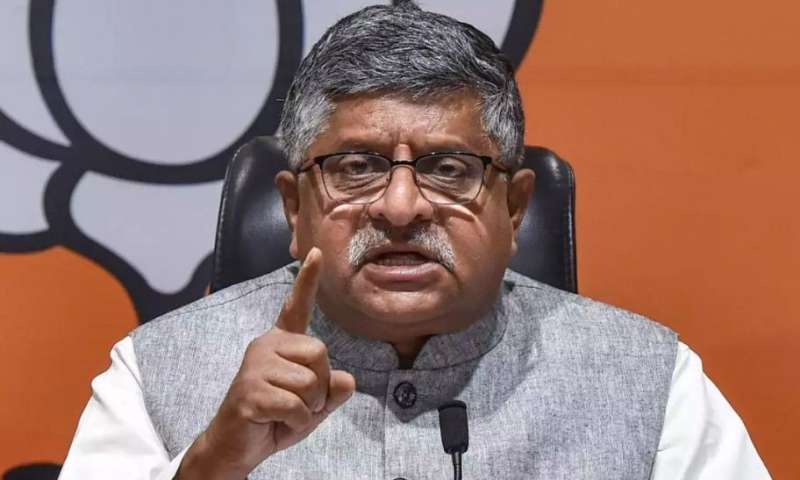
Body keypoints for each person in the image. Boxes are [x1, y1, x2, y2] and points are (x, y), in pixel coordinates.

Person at [59, 2, 770, 479]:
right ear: (294, 208)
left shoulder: (652, 382)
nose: (400, 207)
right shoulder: (154, 374)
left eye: (449, 168)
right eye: (356, 167)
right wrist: (209, 467)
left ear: (516, 208)